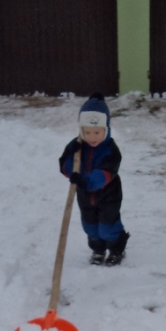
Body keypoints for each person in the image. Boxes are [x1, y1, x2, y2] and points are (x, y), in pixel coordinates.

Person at [59, 92, 130, 265]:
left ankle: (116, 249)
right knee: (90, 226)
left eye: (97, 132)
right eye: (87, 132)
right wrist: (71, 164)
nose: (92, 137)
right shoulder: (76, 146)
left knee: (107, 226)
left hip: (108, 194)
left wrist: (86, 181)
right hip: (84, 194)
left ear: (106, 129)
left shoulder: (111, 150)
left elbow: (106, 172)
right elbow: (64, 165)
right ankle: (98, 250)